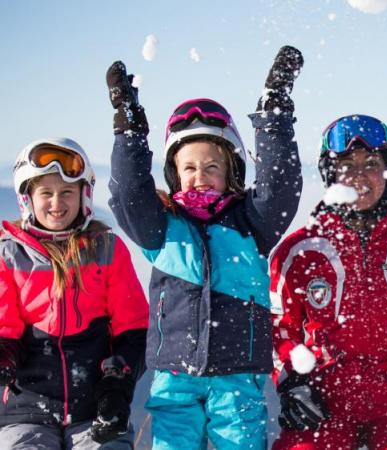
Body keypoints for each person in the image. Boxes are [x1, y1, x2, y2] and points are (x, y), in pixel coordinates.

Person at [105, 46, 304, 450]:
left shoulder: (251, 223)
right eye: (189, 167)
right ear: (174, 173)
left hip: (238, 376)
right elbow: (129, 195)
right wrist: (129, 131)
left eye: (212, 166)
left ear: (232, 172)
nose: (201, 176)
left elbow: (280, 186)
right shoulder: (162, 227)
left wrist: (274, 113)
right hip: (174, 378)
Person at [268, 114, 387, 450]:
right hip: (324, 402)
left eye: (372, 164)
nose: (360, 175)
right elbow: (278, 327)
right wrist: (291, 382)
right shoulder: (302, 250)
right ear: (329, 174)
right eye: (347, 165)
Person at [0, 138, 148, 449]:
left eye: (67, 192)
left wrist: (117, 385)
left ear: (84, 195)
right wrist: (4, 357)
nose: (57, 202)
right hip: (26, 413)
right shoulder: (9, 256)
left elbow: (133, 327)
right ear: (27, 199)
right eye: (46, 193)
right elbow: (4, 326)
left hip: (93, 411)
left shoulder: (107, 250)